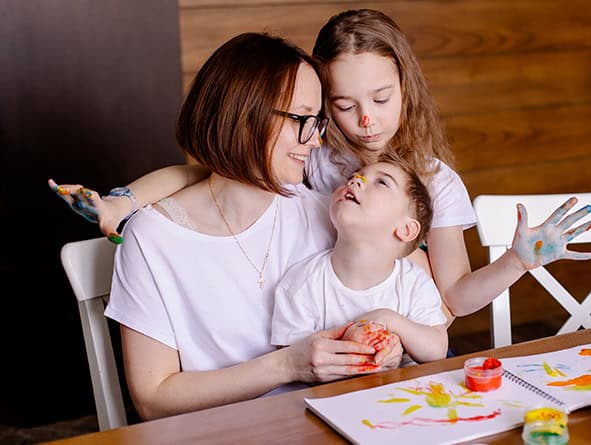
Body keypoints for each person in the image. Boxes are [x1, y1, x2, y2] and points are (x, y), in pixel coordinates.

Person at [50, 9, 591, 323]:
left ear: (406, 87)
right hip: (298, 334)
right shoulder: (307, 156)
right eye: (342, 105)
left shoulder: (433, 180)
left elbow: (453, 297)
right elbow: (203, 173)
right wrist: (125, 199)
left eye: (382, 98)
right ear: (320, 102)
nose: (365, 121)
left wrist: (518, 263)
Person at [51, 32, 404, 421]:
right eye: (304, 120)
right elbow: (153, 398)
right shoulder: (154, 239)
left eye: (318, 122)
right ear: (245, 115)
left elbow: (395, 304)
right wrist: (287, 366)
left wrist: (376, 349)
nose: (316, 141)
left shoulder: (327, 213)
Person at [271, 154, 448, 365]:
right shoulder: (302, 284)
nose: (357, 180)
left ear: (405, 229)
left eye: (381, 182)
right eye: (354, 177)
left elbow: (437, 350)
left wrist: (389, 320)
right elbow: (293, 363)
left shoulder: (414, 283)